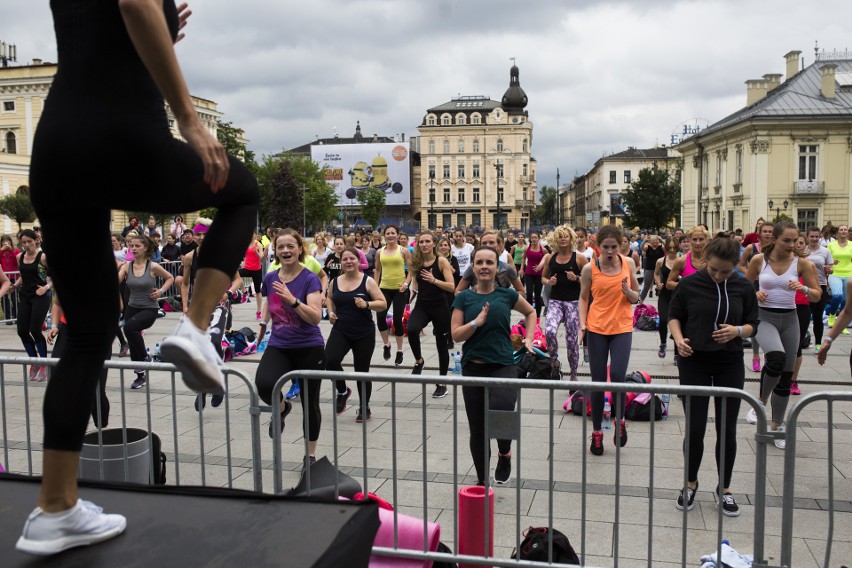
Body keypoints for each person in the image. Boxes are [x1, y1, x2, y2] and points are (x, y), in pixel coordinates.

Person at [18, 0, 259, 555]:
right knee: (241, 191)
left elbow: (105, 33)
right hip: (118, 135)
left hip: (57, 146)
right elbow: (132, 4)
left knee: (86, 334)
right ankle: (195, 329)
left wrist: (161, 34)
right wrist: (190, 119)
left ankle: (55, 507)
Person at [668, 234, 760, 516]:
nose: (719, 275)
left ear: (735, 265)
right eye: (714, 269)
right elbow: (674, 316)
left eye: (726, 271)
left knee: (726, 428)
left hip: (728, 361)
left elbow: (753, 323)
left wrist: (737, 331)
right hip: (693, 360)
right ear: (706, 260)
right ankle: (690, 482)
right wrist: (679, 339)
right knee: (695, 427)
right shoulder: (690, 284)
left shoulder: (743, 286)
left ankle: (726, 488)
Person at [452, 246, 536, 485]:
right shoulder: (464, 297)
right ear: (473, 267)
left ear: (497, 267)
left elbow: (530, 312)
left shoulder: (506, 295)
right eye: (479, 262)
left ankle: (504, 452)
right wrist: (476, 323)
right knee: (477, 429)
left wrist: (528, 339)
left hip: (503, 364)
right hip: (473, 367)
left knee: (503, 410)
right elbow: (456, 335)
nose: (484, 267)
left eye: (489, 262)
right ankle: (482, 481)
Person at [743, 221, 821, 450]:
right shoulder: (760, 260)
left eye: (794, 240)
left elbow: (817, 295)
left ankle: (776, 426)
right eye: (786, 240)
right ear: (774, 239)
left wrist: (803, 289)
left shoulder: (802, 264)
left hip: (790, 320)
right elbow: (744, 287)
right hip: (764, 318)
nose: (791, 245)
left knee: (786, 375)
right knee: (775, 357)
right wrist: (756, 292)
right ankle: (760, 401)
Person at [255, 229, 324, 472]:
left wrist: (293, 299)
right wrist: (263, 324)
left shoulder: (310, 279)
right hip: (279, 345)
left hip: (309, 347)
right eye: (280, 247)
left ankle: (310, 456)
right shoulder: (270, 277)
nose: (285, 251)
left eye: (290, 246)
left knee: (310, 402)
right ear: (275, 250)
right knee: (264, 385)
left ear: (299, 249)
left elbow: (315, 318)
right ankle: (283, 408)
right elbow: (270, 304)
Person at [579, 225, 639, 456]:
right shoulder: (589, 269)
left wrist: (629, 293)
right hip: (597, 327)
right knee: (597, 381)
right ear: (598, 246)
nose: (611, 251)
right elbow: (583, 299)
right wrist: (583, 325)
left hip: (622, 327)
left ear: (622, 244)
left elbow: (636, 296)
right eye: (606, 247)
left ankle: (620, 421)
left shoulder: (629, 263)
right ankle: (596, 433)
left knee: (616, 377)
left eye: (615, 246)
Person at [325, 247, 386, 420]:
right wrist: (331, 312)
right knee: (330, 360)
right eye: (345, 259)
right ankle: (343, 391)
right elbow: (329, 298)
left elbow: (382, 303)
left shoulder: (367, 281)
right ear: (341, 262)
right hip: (341, 330)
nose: (349, 262)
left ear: (359, 262)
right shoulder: (335, 281)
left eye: (352, 258)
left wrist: (367, 304)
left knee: (361, 371)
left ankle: (364, 406)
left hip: (363, 333)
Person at [117, 234, 174, 390]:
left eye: (137, 246)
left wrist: (161, 291)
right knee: (132, 337)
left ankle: (145, 357)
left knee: (129, 328)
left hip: (150, 308)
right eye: (131, 246)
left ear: (146, 248)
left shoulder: (153, 266)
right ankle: (140, 375)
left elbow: (170, 278)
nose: (133, 248)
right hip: (132, 307)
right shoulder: (127, 266)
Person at [406, 231, 455, 398]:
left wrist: (434, 280)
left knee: (441, 345)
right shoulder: (417, 261)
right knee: (411, 329)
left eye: (427, 241)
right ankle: (419, 361)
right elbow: (416, 282)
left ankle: (442, 383)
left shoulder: (441, 261)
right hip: (422, 304)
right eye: (421, 242)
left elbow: (451, 286)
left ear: (434, 244)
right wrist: (411, 293)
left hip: (440, 306)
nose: (424, 244)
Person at [542, 225, 586, 381]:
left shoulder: (579, 258)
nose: (562, 239)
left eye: (565, 236)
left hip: (574, 303)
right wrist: (549, 281)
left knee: (571, 340)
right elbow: (543, 278)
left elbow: (590, 281)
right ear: (555, 239)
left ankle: (573, 374)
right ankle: (554, 362)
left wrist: (578, 278)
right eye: (560, 236)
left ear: (571, 239)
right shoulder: (550, 257)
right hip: (555, 301)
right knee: (550, 331)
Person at [8, 229, 52, 382]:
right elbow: (23, 275)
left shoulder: (43, 257)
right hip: (25, 295)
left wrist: (45, 288)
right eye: (23, 242)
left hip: (41, 295)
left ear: (36, 240)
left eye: (29, 241)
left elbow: (54, 277)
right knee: (22, 330)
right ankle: (34, 361)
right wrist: (14, 285)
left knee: (35, 329)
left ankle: (44, 364)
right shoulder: (20, 256)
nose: (26, 245)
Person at [374, 225, 412, 365]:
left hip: (400, 289)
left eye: (392, 233)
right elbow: (377, 270)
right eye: (387, 233)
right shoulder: (379, 252)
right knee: (380, 317)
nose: (390, 235)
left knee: (397, 320)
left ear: (397, 235)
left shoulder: (404, 251)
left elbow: (412, 269)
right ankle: (387, 344)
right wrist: (374, 287)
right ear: (384, 236)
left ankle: (400, 350)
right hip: (384, 288)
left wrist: (407, 284)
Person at [738, 222, 774, 371]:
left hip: (770, 287)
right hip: (754, 286)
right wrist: (751, 273)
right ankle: (755, 355)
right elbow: (740, 264)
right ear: (759, 233)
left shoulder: (777, 250)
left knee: (768, 322)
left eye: (770, 232)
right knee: (756, 320)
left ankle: (767, 353)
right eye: (764, 231)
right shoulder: (751, 248)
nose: (767, 234)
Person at [804, 226, 833, 353]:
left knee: (817, 316)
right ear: (808, 237)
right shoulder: (803, 250)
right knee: (804, 315)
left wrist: (829, 270)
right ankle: (802, 339)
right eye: (812, 236)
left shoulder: (825, 251)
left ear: (820, 237)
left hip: (820, 285)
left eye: (817, 236)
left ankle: (818, 343)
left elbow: (831, 269)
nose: (814, 239)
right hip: (804, 286)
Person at [654, 237, 680, 361]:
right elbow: (655, 273)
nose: (672, 250)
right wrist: (658, 283)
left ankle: (676, 353)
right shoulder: (661, 261)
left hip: (677, 296)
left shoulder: (681, 261)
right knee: (663, 320)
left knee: (677, 323)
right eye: (669, 248)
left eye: (674, 248)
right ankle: (663, 342)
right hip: (664, 295)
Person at [826, 224, 852, 334]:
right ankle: (832, 316)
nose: (843, 231)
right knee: (837, 295)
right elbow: (827, 260)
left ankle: (842, 325)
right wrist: (831, 264)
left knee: (845, 301)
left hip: (849, 274)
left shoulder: (851, 245)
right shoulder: (831, 245)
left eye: (845, 230)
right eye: (841, 230)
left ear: (847, 232)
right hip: (835, 274)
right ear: (837, 232)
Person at [239, 230, 264, 320]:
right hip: (247, 268)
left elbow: (261, 257)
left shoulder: (258, 244)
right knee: (235, 274)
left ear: (255, 235)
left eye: (252, 234)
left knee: (258, 291)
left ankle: (258, 311)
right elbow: (244, 256)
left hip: (256, 270)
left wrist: (256, 252)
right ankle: (244, 292)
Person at [522, 231, 546, 317]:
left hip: (539, 274)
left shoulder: (543, 249)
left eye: (536, 237)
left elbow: (547, 259)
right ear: (530, 239)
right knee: (528, 294)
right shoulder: (527, 249)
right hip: (529, 273)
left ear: (538, 239)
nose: (534, 239)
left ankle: (538, 316)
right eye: (532, 238)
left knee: (537, 295)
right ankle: (529, 314)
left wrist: (544, 269)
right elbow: (524, 258)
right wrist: (521, 268)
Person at [639, 235, 665, 302]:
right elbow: (641, 247)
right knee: (646, 286)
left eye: (656, 241)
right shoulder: (647, 247)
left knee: (661, 285)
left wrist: (661, 240)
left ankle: (662, 301)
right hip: (649, 268)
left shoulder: (661, 247)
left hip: (659, 269)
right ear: (650, 242)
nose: (655, 243)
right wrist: (645, 240)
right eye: (653, 242)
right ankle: (641, 302)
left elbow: (667, 248)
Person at [1, 234, 19, 322]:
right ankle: (8, 318)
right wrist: (1, 250)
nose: (6, 244)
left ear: (11, 242)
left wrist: (11, 250)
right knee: (4, 299)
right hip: (3, 279)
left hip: (13, 277)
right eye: (4, 242)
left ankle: (17, 317)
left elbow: (18, 258)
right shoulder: (1, 252)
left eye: (8, 242)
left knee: (14, 297)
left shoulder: (15, 251)